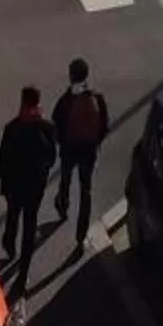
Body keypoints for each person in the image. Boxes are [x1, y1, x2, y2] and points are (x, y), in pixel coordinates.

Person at [0, 85, 55, 287]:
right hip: (34, 188)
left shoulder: (13, 128)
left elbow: (3, 159)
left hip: (14, 186)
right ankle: (23, 272)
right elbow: (52, 158)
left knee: (13, 216)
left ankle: (9, 246)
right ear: (38, 103)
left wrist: (3, 182)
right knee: (30, 227)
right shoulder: (46, 128)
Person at [51, 56, 109, 243]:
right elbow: (104, 125)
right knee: (86, 190)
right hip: (89, 151)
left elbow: (56, 123)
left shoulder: (66, 100)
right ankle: (81, 234)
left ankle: (62, 206)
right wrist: (96, 143)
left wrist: (62, 143)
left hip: (70, 150)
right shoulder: (96, 98)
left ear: (71, 76)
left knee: (65, 180)